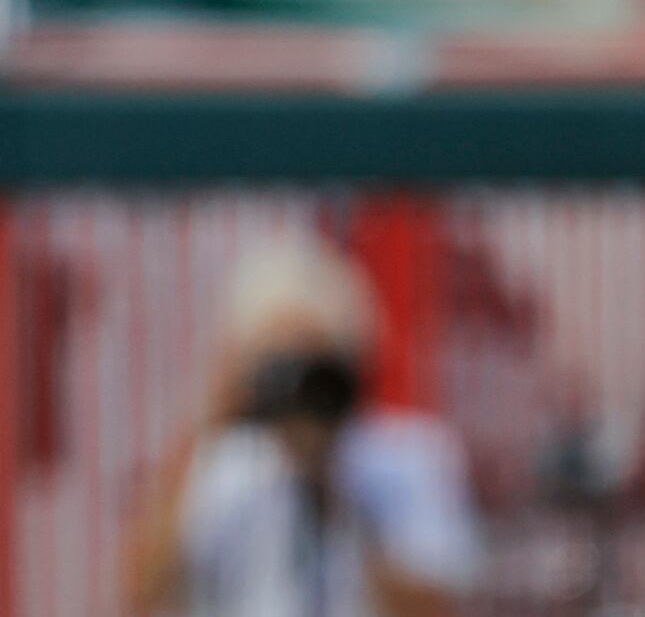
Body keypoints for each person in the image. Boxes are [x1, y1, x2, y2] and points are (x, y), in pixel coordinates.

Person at [124, 233, 479, 617]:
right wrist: (215, 418)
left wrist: (337, 488)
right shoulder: (222, 464)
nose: (299, 388)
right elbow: (143, 590)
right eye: (280, 362)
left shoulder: (406, 458)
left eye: (314, 360)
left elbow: (430, 607)